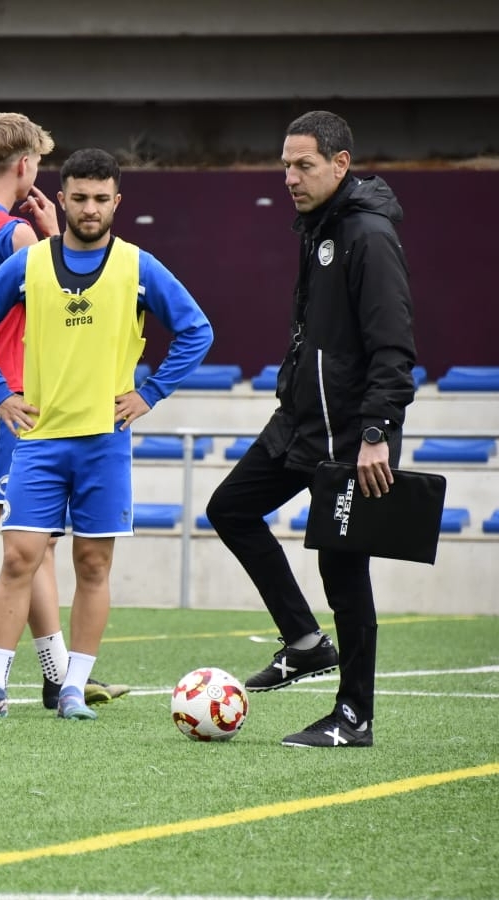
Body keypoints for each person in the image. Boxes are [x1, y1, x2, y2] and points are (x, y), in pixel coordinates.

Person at [0, 148, 213, 720]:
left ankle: (73, 686)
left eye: (101, 199)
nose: (89, 208)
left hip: (104, 441)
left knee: (93, 565)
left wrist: (151, 392)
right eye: (79, 197)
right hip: (41, 439)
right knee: (19, 558)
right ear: (61, 198)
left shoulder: (139, 266)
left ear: (116, 202)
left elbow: (197, 330)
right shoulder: (30, 263)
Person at [206, 111, 416, 749]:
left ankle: (354, 717)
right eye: (286, 165)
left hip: (352, 438)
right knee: (230, 509)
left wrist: (377, 431)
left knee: (343, 574)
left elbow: (393, 344)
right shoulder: (317, 227)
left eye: (304, 166)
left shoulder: (367, 236)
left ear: (340, 164)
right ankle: (303, 640)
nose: (290, 177)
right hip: (298, 426)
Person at [0, 114, 128, 711]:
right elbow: (64, 304)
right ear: (25, 167)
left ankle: (58, 674)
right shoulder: (12, 236)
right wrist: (47, 236)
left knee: (30, 542)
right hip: (3, 405)